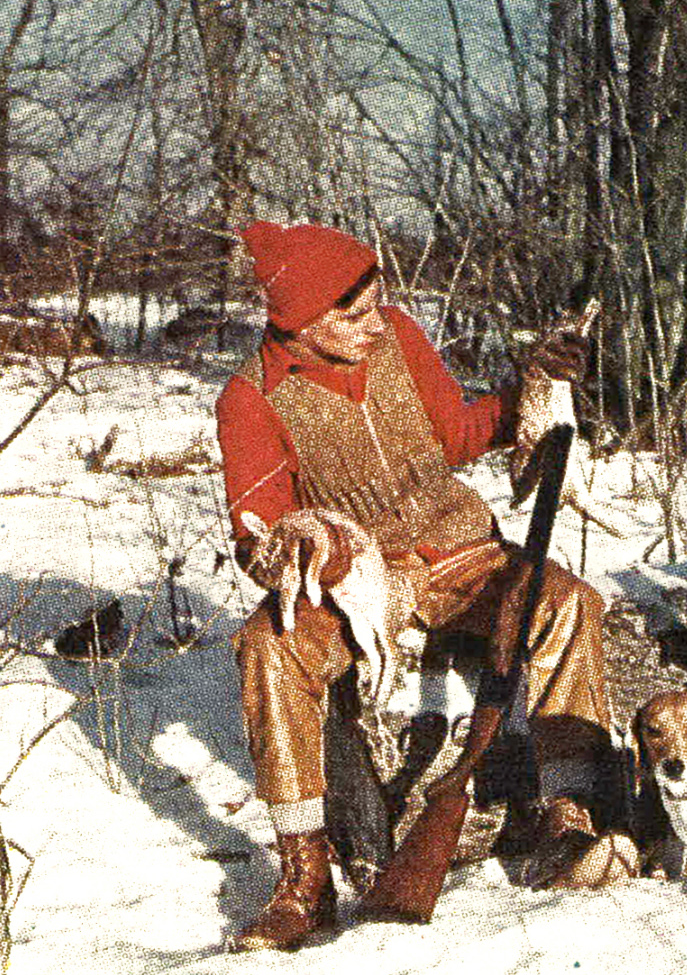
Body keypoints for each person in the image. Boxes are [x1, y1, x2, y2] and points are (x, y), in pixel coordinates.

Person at [216, 221, 623, 952]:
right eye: (355, 314)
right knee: (267, 647)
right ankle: (306, 879)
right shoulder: (251, 399)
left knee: (569, 604)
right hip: (358, 580)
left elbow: (459, 433)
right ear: (301, 323)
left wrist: (533, 387)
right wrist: (311, 553)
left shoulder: (398, 336)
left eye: (379, 303)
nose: (378, 323)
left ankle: (566, 816)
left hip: (462, 553)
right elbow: (258, 537)